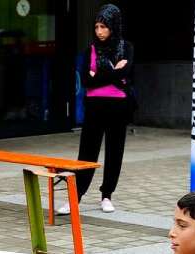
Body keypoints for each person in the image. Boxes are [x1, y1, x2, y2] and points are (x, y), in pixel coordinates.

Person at [61, 3, 133, 216]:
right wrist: (113, 73)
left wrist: (99, 74)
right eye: (96, 27)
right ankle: (76, 197)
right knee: (86, 153)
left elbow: (127, 72)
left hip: (119, 106)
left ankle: (107, 195)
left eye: (104, 27)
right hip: (94, 107)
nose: (99, 32)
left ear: (113, 26)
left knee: (114, 151)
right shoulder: (90, 50)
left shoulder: (126, 47)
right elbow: (86, 81)